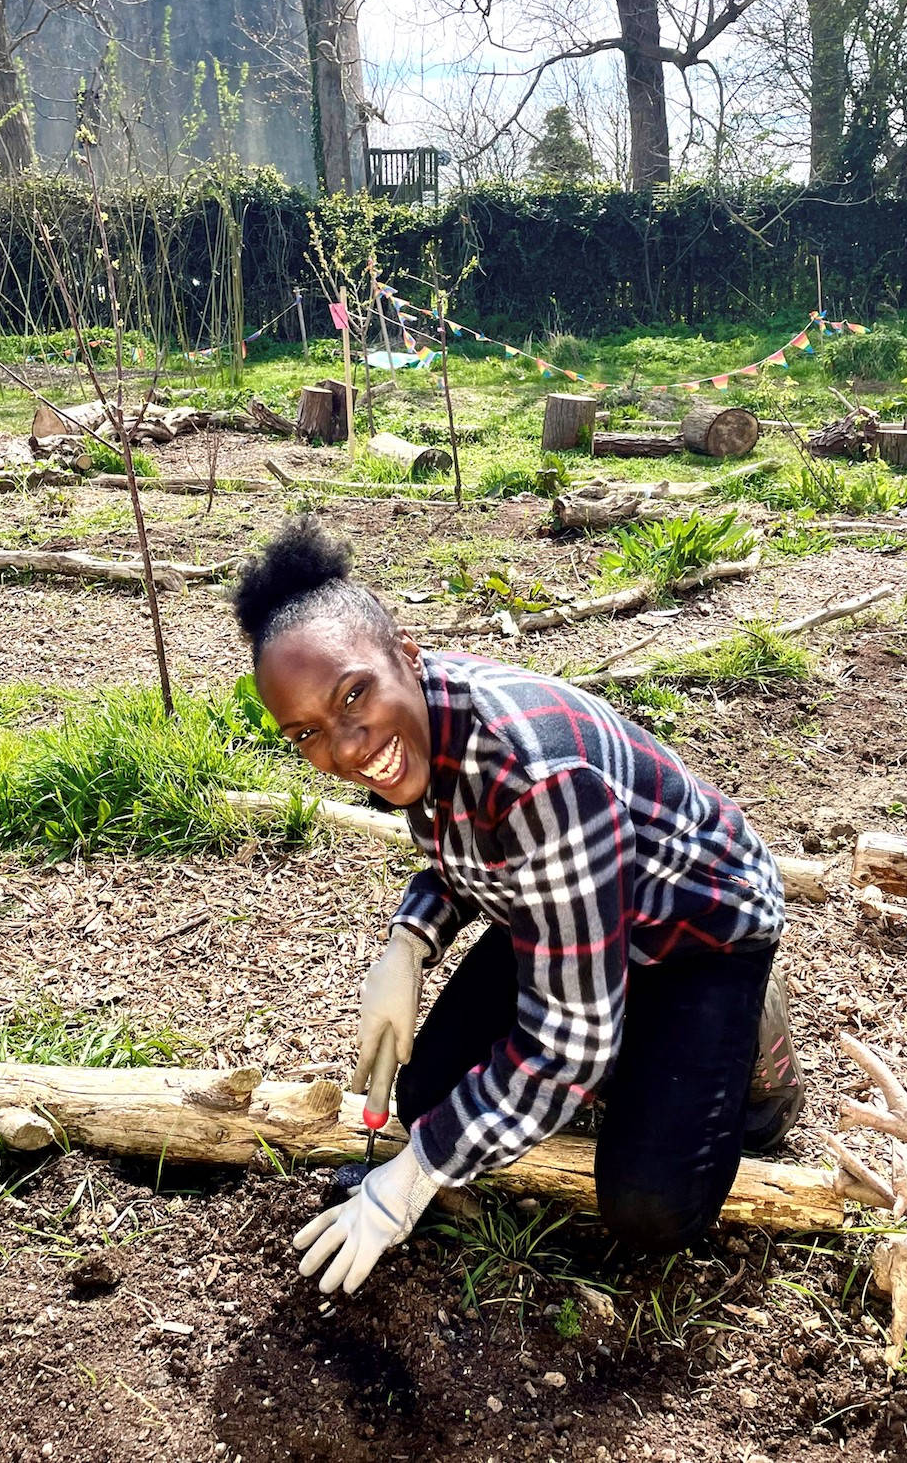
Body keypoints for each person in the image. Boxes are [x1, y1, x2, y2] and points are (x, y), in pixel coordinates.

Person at [233, 515, 802, 1298]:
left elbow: (569, 1045)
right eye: (308, 734)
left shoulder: (536, 774)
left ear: (406, 653)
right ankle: (616, 1013)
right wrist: (408, 944)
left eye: (353, 694)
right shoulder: (419, 722)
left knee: (652, 1209)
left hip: (695, 925)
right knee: (428, 1094)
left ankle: (751, 1039)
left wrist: (413, 1177)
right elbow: (464, 847)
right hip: (563, 902)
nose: (348, 746)